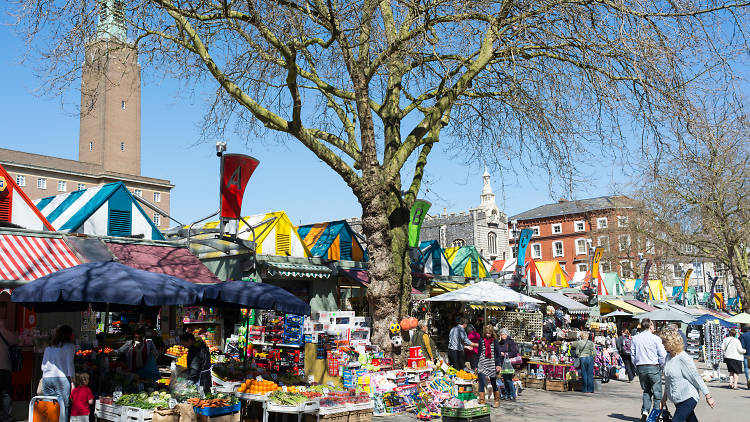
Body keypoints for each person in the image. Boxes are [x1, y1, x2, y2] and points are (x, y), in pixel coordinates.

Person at [659, 329, 715, 422]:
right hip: (677, 398)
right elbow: (668, 381)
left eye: (664, 341)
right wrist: (664, 398)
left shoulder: (683, 358)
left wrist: (708, 396)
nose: (662, 344)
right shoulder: (668, 357)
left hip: (688, 397)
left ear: (671, 342)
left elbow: (696, 378)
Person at [631, 319, 667, 422]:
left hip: (641, 366)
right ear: (650, 326)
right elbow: (662, 355)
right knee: (657, 393)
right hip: (653, 366)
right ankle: (655, 414)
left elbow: (633, 355)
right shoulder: (655, 338)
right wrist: (662, 366)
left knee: (646, 391)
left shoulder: (635, 338)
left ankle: (645, 411)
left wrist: (636, 366)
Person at [41, 325, 76, 418]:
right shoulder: (70, 347)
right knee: (63, 408)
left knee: (49, 408)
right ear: (69, 335)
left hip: (47, 379)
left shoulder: (49, 347)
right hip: (62, 379)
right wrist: (73, 382)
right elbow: (70, 365)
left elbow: (43, 366)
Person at [476, 325, 502, 407]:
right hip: (482, 363)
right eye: (486, 333)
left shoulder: (495, 341)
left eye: (489, 333)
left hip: (491, 363)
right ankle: (482, 400)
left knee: (493, 382)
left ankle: (496, 400)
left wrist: (498, 364)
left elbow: (498, 354)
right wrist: (476, 365)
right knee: (481, 382)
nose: (488, 335)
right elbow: (479, 352)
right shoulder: (481, 340)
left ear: (492, 333)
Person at [0, 320, 18, 422]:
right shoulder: (5, 332)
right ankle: (5, 416)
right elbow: (16, 341)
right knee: (5, 393)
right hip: (5, 368)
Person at [498, 328, 520, 401]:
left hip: (509, 363)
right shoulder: (501, 342)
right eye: (500, 335)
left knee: (508, 379)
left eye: (502, 335)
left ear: (505, 334)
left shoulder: (510, 342)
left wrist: (504, 354)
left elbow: (514, 352)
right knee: (505, 379)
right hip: (503, 363)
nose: (501, 336)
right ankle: (507, 394)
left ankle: (512, 395)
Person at [739, 324, 750, 389]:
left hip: (746, 354)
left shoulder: (742, 336)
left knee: (746, 368)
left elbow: (742, 346)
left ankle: (748, 380)